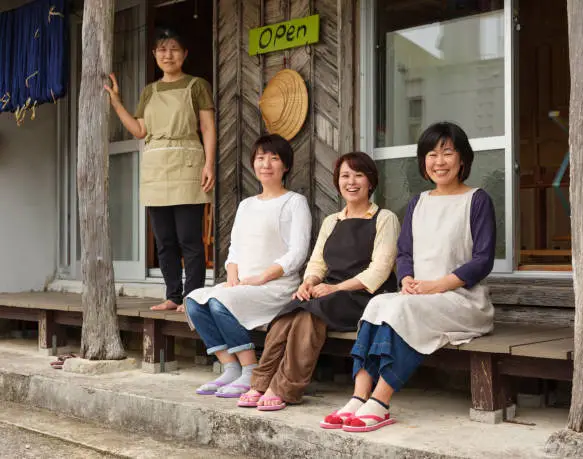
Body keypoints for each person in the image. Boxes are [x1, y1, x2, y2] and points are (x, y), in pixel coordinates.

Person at [321, 122, 497, 432]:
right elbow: (405, 254)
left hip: (461, 300)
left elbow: (483, 260)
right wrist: (406, 279)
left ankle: (381, 400)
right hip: (418, 295)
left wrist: (437, 285)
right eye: (431, 154)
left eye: (447, 153)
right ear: (423, 162)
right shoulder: (418, 202)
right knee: (377, 305)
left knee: (401, 310)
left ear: (462, 160)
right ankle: (359, 397)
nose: (439, 161)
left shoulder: (477, 200)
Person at [239, 152, 400, 411]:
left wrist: (334, 288)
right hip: (330, 291)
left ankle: (286, 387)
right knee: (286, 315)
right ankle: (261, 381)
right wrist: (309, 283)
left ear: (371, 181)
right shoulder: (331, 221)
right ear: (337, 182)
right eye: (345, 176)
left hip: (366, 296)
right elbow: (317, 263)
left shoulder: (384, 218)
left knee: (308, 316)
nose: (352, 182)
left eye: (359, 175)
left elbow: (379, 271)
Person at [185, 134, 311, 398]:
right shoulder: (246, 205)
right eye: (260, 158)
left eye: (274, 159)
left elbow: (298, 253)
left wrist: (263, 278)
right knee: (194, 301)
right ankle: (229, 367)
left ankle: (250, 369)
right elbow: (235, 249)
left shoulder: (294, 203)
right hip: (244, 284)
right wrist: (232, 274)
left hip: (277, 286)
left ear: (285, 166)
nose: (266, 164)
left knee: (221, 303)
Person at [104, 29, 216, 312]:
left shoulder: (197, 85)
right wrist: (117, 103)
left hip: (188, 162)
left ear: (185, 54)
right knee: (164, 240)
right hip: (156, 166)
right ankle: (172, 295)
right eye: (162, 50)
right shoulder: (149, 91)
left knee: (189, 239)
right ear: (154, 55)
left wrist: (209, 163)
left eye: (174, 49)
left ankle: (192, 296)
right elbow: (140, 130)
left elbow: (207, 128)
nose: (168, 55)